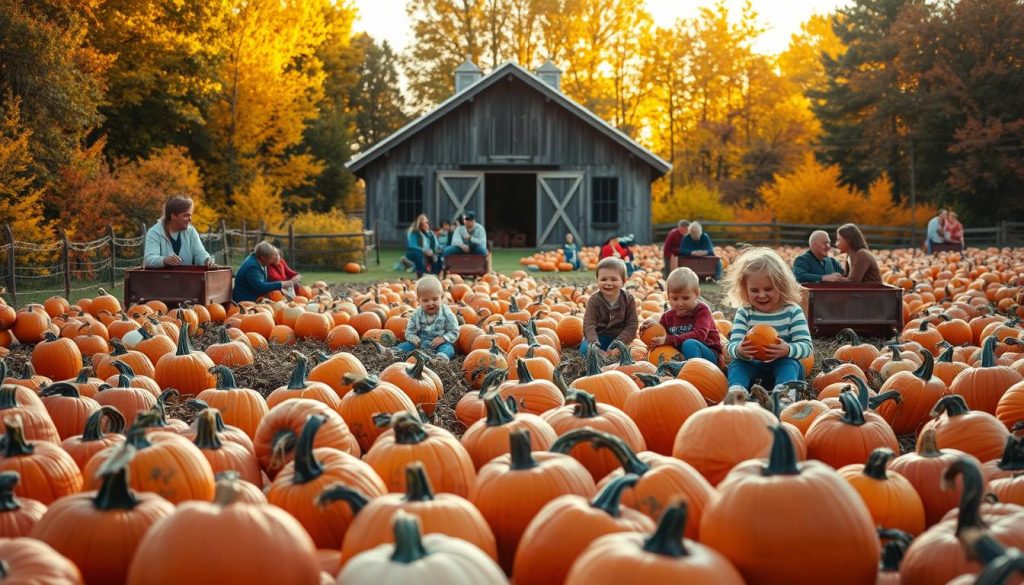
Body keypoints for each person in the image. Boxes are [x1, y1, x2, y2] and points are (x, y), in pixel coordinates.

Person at [723, 247, 813, 399]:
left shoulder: (792, 311)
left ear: (781, 285)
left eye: (768, 289)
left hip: (781, 363)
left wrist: (787, 349)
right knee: (737, 365)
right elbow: (731, 346)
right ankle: (737, 392)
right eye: (754, 290)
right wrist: (739, 349)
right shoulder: (745, 312)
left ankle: (784, 396)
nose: (762, 295)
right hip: (753, 364)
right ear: (744, 289)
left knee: (789, 364)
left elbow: (806, 347)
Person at [643, 267, 723, 364]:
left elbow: (699, 334)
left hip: (708, 353)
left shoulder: (702, 311)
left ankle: (693, 371)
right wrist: (649, 332)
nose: (680, 303)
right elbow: (662, 336)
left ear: (697, 294)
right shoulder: (667, 317)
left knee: (689, 344)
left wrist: (668, 339)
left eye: (685, 298)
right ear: (668, 297)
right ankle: (678, 369)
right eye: (675, 299)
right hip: (680, 355)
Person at [581, 257, 638, 357]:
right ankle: (600, 357)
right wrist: (595, 344)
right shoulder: (594, 300)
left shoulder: (628, 300)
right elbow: (589, 324)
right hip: (599, 338)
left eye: (614, 279)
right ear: (597, 280)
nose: (608, 283)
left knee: (633, 351)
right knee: (585, 349)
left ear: (623, 281)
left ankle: (612, 357)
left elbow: (632, 325)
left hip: (621, 339)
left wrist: (617, 344)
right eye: (603, 279)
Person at [394, 275, 459, 360]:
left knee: (448, 348)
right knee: (406, 346)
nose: (430, 303)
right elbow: (409, 331)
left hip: (439, 344)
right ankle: (393, 353)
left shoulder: (447, 313)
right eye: (425, 300)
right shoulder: (416, 314)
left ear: (441, 298)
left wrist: (443, 338)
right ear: (418, 301)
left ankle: (440, 358)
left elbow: (454, 331)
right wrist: (413, 338)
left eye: (435, 299)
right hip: (420, 344)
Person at [144, 196, 215, 268]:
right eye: (186, 215)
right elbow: (149, 260)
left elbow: (200, 253)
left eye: (190, 215)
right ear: (173, 215)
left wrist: (207, 260)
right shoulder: (155, 233)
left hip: (186, 277)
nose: (190, 219)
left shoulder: (191, 232)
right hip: (162, 278)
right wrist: (164, 260)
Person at [233, 241, 301, 303]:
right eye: (271, 258)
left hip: (256, 298)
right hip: (246, 301)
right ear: (263, 257)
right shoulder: (252, 267)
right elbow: (260, 287)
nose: (272, 261)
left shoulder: (260, 262)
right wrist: (282, 284)